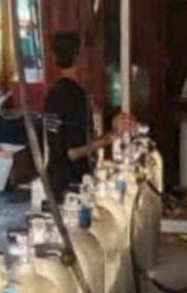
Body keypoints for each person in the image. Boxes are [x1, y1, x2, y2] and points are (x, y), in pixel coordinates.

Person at [42, 32, 131, 199]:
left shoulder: (54, 93)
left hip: (55, 179)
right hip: (72, 185)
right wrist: (111, 137)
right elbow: (73, 152)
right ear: (79, 58)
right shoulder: (74, 97)